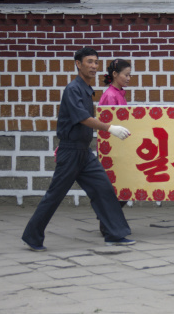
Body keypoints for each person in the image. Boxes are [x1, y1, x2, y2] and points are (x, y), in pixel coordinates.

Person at [22, 47, 135, 251]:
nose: (94, 66)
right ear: (78, 64)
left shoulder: (86, 89)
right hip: (71, 152)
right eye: (89, 62)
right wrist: (110, 128)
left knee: (103, 188)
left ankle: (114, 234)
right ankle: (32, 235)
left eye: (96, 62)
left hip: (84, 152)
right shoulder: (73, 89)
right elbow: (82, 118)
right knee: (55, 195)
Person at [97, 58, 131, 236]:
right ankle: (107, 221)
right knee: (119, 187)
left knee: (121, 187)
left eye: (129, 75)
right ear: (115, 74)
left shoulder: (117, 93)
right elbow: (108, 123)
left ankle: (107, 220)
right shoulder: (111, 95)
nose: (128, 78)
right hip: (112, 148)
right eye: (126, 75)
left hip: (118, 146)